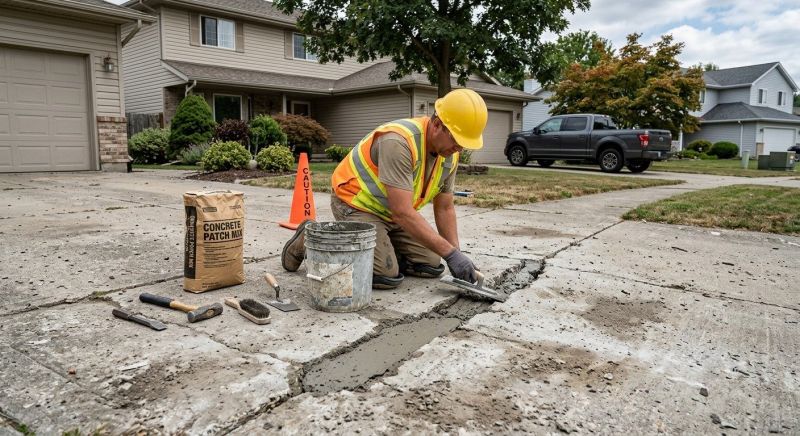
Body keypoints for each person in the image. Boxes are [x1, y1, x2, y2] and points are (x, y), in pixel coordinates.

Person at [281, 88, 487, 289]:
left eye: (464, 143)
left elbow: (444, 208)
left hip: (392, 213)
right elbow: (403, 212)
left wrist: (457, 255)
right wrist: (450, 253)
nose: (459, 148)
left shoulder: (449, 154)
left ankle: (381, 247)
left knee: (431, 263)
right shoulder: (399, 141)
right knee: (384, 275)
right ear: (436, 124)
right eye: (456, 139)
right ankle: (310, 238)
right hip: (356, 204)